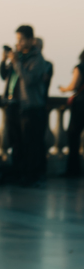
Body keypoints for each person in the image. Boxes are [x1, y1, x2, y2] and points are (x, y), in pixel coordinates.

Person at [0, 26, 53, 185]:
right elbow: (4, 75)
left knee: (30, 143)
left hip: (29, 106)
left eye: (22, 40)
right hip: (13, 104)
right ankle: (18, 173)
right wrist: (4, 60)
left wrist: (16, 62)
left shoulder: (37, 59)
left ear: (31, 40)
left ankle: (30, 175)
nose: (19, 43)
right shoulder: (19, 58)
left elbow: (29, 80)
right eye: (18, 40)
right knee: (15, 142)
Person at [61, 51, 84, 179]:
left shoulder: (80, 67)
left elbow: (74, 85)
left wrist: (63, 89)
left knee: (73, 136)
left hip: (80, 104)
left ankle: (73, 169)